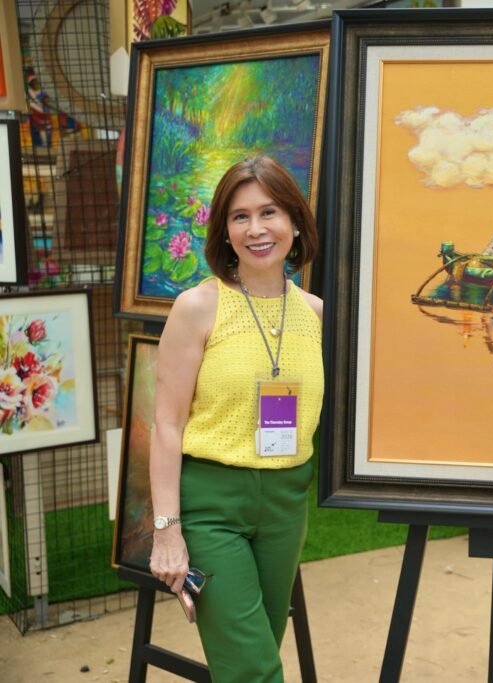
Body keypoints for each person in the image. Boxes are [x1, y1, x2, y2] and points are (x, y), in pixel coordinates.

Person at [148, 155, 323, 682]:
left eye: (268, 212)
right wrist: (167, 532)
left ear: (294, 221)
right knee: (253, 670)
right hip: (212, 506)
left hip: (287, 502)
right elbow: (167, 424)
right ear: (224, 231)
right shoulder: (197, 307)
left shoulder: (316, 314)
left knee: (256, 654)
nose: (256, 229)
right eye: (240, 216)